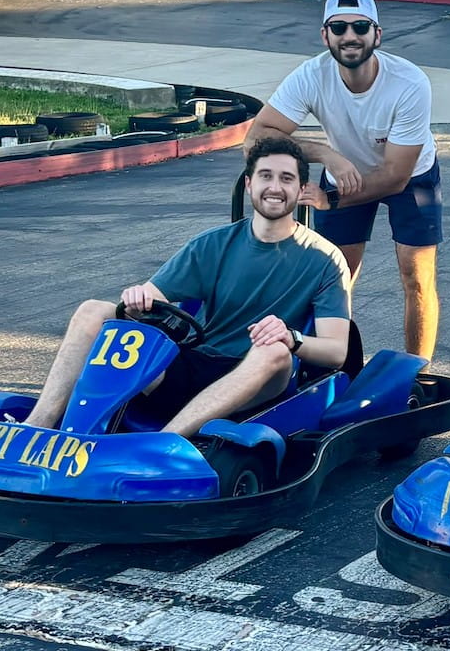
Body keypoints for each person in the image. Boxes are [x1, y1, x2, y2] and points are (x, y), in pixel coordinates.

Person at [21, 136, 353, 441]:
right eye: (266, 176)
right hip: (193, 365)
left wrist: (290, 337)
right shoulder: (212, 245)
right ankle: (36, 427)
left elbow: (336, 352)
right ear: (250, 184)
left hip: (260, 377)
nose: (275, 187)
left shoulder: (324, 259)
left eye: (286, 178)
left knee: (275, 350)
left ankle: (163, 443)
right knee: (95, 311)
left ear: (301, 189)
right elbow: (152, 298)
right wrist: (137, 301)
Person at [249, 0, 442, 360]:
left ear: (377, 35)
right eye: (338, 28)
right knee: (336, 277)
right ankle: (330, 365)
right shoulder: (311, 75)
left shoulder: (410, 83)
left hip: (410, 175)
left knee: (416, 276)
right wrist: (324, 153)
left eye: (360, 27)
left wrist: (331, 197)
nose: (349, 36)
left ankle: (416, 374)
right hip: (346, 172)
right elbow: (256, 137)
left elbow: (395, 177)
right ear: (325, 36)